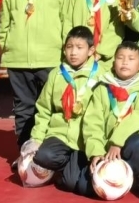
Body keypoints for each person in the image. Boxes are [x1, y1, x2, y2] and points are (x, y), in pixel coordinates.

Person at [0, 0, 71, 165]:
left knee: (52, 106)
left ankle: (49, 154)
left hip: (50, 59)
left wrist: (66, 55)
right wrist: (8, 47)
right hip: (18, 60)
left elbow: (66, 22)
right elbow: (4, 23)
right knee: (24, 108)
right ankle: (25, 155)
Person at [24, 26, 103, 193]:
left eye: (79, 48)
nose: (73, 52)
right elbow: (44, 109)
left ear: (91, 51)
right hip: (60, 134)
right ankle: (64, 163)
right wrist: (36, 139)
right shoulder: (56, 74)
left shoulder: (101, 75)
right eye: (69, 47)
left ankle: (70, 168)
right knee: (43, 156)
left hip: (85, 140)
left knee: (72, 184)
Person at [76, 41, 139, 196]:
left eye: (131, 59)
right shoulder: (102, 87)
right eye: (120, 58)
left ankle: (136, 178)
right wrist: (96, 151)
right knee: (82, 187)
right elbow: (93, 121)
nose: (125, 62)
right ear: (114, 63)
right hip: (105, 145)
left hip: (127, 143)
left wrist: (116, 142)